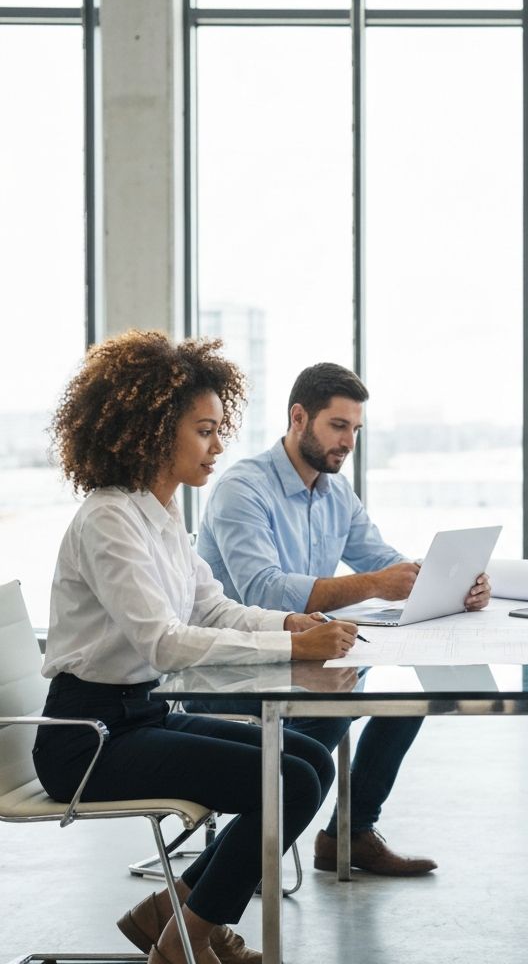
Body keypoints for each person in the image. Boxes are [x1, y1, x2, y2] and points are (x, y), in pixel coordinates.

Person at [35, 330, 359, 964]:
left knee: (309, 764)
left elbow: (210, 607)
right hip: (88, 738)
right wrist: (294, 653)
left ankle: (176, 913)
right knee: (287, 780)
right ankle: (186, 941)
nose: (217, 446)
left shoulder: (160, 514)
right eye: (204, 431)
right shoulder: (108, 519)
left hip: (142, 715)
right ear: (156, 432)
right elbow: (164, 642)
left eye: (218, 429)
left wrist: (289, 626)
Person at [192, 362, 491, 877]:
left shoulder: (336, 494)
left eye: (356, 430)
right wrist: (377, 584)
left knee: (410, 699)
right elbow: (261, 591)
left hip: (308, 659)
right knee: (331, 712)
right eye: (338, 426)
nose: (349, 441)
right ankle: (248, 852)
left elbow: (382, 560)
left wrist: (452, 583)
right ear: (299, 417)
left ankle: (347, 835)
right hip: (233, 668)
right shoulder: (243, 489)